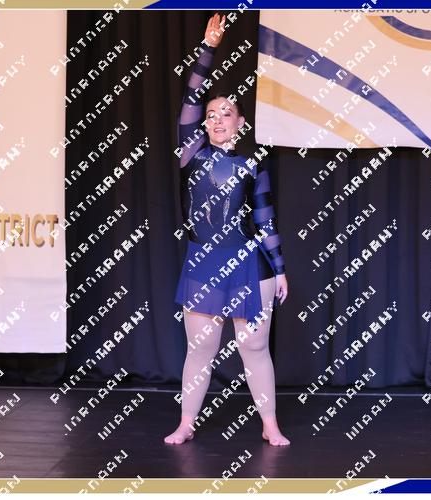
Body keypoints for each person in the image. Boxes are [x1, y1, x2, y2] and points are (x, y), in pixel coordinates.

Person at [165, 13, 290, 446]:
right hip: (203, 261)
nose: (217, 120)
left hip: (249, 263)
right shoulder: (191, 154)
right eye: (211, 115)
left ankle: (270, 425)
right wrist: (208, 50)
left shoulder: (253, 164)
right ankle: (186, 423)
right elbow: (191, 96)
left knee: (253, 347)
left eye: (226, 113)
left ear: (241, 123)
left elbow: (265, 218)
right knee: (200, 348)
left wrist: (280, 268)